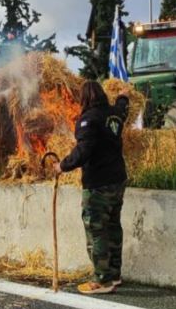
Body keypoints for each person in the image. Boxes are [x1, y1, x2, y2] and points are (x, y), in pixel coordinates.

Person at [55, 81, 129, 295]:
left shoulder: (88, 120)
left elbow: (83, 151)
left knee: (96, 230)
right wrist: (123, 97)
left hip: (98, 183)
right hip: (118, 180)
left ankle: (102, 280)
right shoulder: (114, 114)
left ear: (85, 99)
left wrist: (62, 165)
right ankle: (114, 275)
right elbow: (123, 109)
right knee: (114, 226)